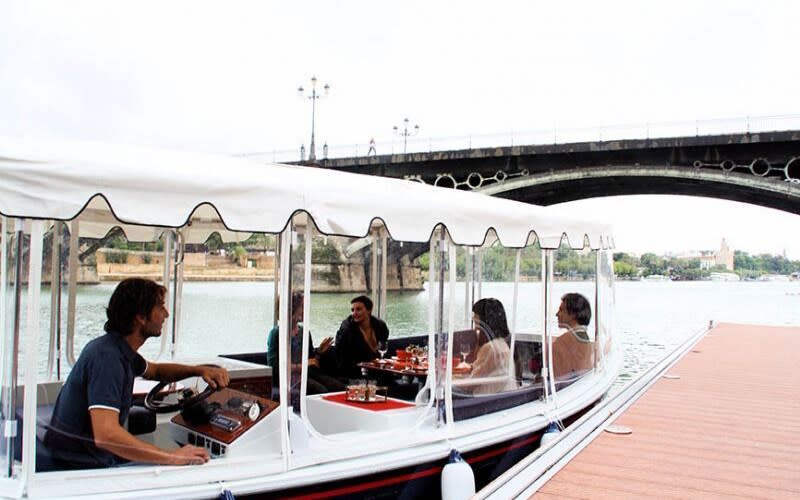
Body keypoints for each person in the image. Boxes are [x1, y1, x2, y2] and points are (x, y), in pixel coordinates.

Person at [45, 278, 230, 469]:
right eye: (160, 307)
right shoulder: (107, 359)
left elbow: (156, 371)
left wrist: (199, 370)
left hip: (89, 456)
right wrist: (171, 456)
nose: (166, 314)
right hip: (79, 465)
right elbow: (106, 435)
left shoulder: (118, 349)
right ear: (141, 317)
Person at [266, 291, 344, 398]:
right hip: (286, 378)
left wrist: (319, 351)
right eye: (302, 306)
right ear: (292, 309)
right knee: (320, 391)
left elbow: (311, 360)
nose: (304, 310)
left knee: (338, 387)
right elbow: (274, 366)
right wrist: (301, 366)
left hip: (306, 374)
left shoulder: (304, 332)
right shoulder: (276, 334)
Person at [468, 298, 517, 395]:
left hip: (485, 401)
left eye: (476, 318)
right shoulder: (502, 343)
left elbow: (471, 384)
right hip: (503, 398)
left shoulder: (491, 348)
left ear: (484, 321)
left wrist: (449, 379)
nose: (473, 319)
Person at [334, 295, 389, 379]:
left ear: (369, 310)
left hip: (376, 369)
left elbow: (383, 348)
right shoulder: (347, 329)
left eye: (358, 309)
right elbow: (342, 358)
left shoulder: (380, 326)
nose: (354, 313)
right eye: (352, 310)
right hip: (353, 372)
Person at [552, 292, 594, 381]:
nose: (557, 314)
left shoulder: (561, 343)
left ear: (573, 314)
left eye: (561, 310)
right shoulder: (585, 340)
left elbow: (557, 382)